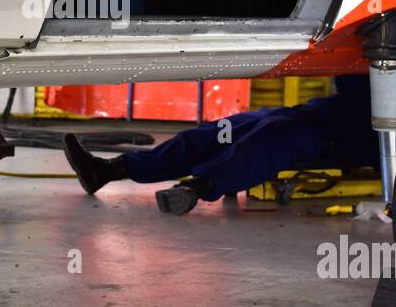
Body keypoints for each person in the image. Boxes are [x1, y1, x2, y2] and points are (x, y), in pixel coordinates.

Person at [62, 76, 378, 215]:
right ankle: (109, 170)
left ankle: (197, 187)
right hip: (317, 110)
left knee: (275, 138)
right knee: (221, 130)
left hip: (348, 132)